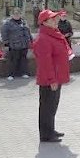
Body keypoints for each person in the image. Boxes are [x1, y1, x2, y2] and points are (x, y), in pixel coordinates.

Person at [33, 9, 71, 143]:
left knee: (52, 105)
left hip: (56, 76)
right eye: (52, 19)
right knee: (47, 107)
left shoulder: (54, 34)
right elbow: (45, 63)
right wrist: (51, 80)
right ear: (45, 23)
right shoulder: (43, 38)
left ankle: (50, 129)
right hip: (49, 79)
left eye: (55, 18)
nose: (56, 21)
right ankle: (46, 134)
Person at [1, 8, 32, 80]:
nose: (17, 15)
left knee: (23, 59)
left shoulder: (24, 22)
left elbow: (28, 31)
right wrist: (6, 42)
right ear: (12, 15)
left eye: (18, 13)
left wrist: (30, 40)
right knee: (14, 60)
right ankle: (11, 74)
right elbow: (4, 33)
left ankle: (24, 73)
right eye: (15, 14)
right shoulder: (8, 23)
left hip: (24, 44)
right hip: (14, 44)